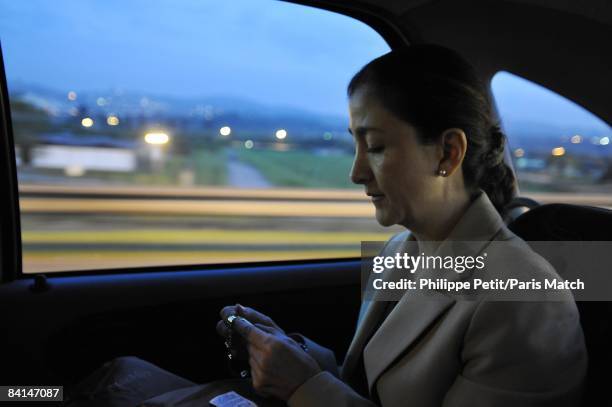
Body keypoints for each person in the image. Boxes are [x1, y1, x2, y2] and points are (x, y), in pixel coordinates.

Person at [67, 44, 587, 407]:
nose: (357, 172)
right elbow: (367, 383)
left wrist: (303, 386)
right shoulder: (399, 250)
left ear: (448, 152)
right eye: (356, 144)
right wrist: (295, 354)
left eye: (378, 147)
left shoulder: (526, 299)